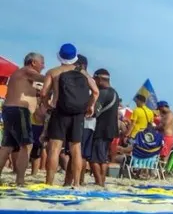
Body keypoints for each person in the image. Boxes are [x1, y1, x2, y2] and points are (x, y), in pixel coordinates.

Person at [41, 45, 99, 187]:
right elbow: (96, 92)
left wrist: (47, 104)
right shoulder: (83, 73)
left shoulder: (53, 72)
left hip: (59, 111)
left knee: (54, 148)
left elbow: (43, 93)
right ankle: (77, 183)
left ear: (59, 56)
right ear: (75, 57)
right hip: (78, 114)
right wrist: (90, 106)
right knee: (76, 149)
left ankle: (49, 182)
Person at [0, 52, 45, 186]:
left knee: (7, 147)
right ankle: (20, 180)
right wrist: (57, 75)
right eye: (42, 62)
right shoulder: (27, 71)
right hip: (19, 110)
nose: (44, 65)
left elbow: (35, 89)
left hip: (10, 110)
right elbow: (44, 79)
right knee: (27, 145)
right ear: (33, 62)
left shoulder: (21, 75)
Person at [89, 68, 119, 187]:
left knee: (95, 158)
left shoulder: (102, 93)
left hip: (100, 128)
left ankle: (99, 182)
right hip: (111, 129)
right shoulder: (115, 93)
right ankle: (102, 181)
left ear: (100, 79)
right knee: (103, 157)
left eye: (95, 79)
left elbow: (94, 111)